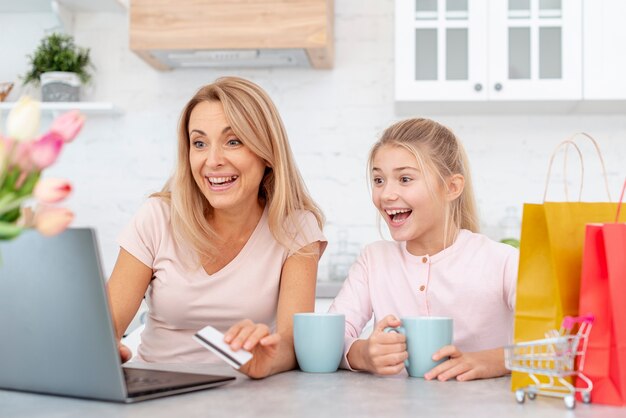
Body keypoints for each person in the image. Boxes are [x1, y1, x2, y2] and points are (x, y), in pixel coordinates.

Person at [107, 76, 326, 379]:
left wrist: (268, 360)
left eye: (233, 141)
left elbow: (291, 343)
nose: (212, 161)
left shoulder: (296, 228)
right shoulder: (157, 218)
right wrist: (101, 347)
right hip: (154, 392)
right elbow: (107, 326)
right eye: (199, 143)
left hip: (247, 397)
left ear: (268, 153)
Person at [329, 118, 518, 381]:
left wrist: (495, 361)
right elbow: (329, 337)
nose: (386, 195)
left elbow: (558, 341)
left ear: (452, 187)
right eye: (379, 180)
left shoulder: (503, 262)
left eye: (405, 179)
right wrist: (363, 353)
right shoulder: (374, 260)